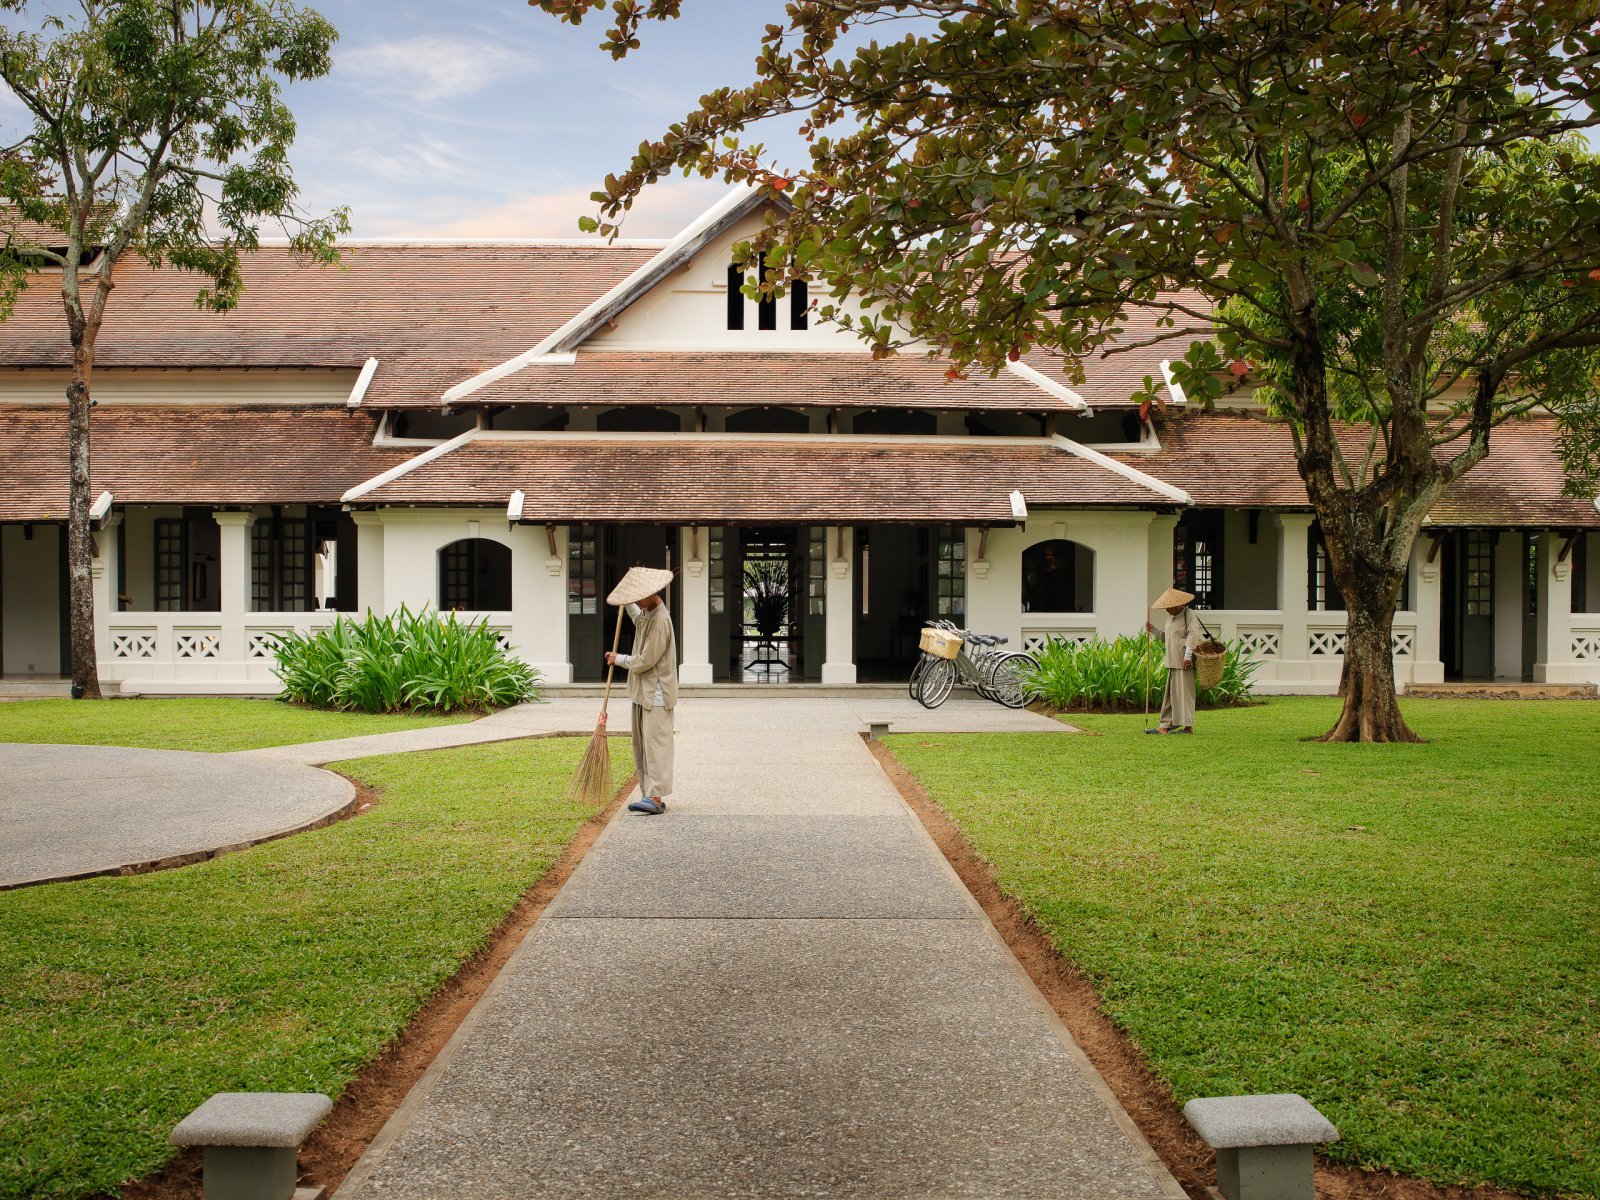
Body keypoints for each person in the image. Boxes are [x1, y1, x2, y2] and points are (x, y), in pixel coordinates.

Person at [605, 576, 678, 814]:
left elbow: (647, 660)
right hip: (642, 691)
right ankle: (649, 793)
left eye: (639, 597)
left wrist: (619, 659)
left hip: (656, 692)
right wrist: (627, 602)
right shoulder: (648, 613)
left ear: (652, 593)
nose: (638, 601)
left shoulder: (660, 620)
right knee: (642, 744)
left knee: (656, 744)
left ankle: (655, 798)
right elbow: (638, 619)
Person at [1145, 586, 1198, 735]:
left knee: (1185, 695)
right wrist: (1153, 629)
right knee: (1171, 695)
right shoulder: (1171, 617)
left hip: (1184, 662)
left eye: (1168, 607)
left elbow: (1192, 635)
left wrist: (1187, 656)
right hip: (1172, 661)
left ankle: (1188, 727)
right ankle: (1165, 726)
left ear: (1176, 605)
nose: (1166, 610)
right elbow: (1166, 637)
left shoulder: (1189, 615)